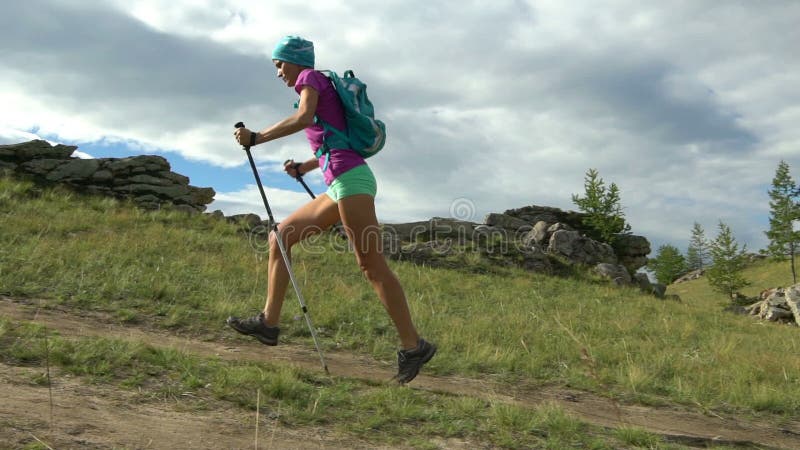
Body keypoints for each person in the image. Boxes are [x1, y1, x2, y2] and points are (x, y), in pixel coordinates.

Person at [227, 36, 436, 384]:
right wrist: (307, 167)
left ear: (296, 61)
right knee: (280, 238)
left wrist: (256, 137)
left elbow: (303, 117)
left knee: (370, 265)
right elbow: (332, 138)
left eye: (280, 64)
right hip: (339, 182)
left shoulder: (310, 78)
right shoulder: (317, 85)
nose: (278, 73)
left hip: (352, 182)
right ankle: (269, 323)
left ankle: (414, 346)